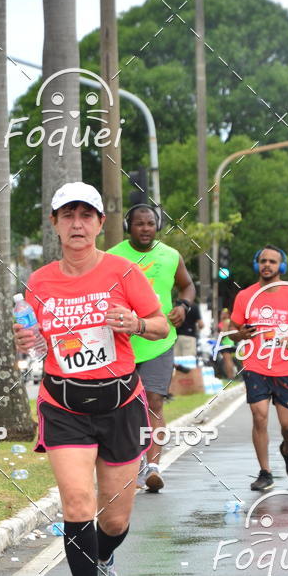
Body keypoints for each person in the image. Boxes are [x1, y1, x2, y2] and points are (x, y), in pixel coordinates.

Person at [13, 183, 169, 576]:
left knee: (115, 518)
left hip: (120, 403)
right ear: (55, 224)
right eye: (68, 215)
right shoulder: (39, 282)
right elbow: (43, 342)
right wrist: (30, 342)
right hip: (64, 404)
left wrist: (136, 323)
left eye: (87, 215)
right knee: (77, 502)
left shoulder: (123, 272)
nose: (77, 223)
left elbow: (159, 326)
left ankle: (103, 556)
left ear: (101, 224)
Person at [107, 204, 196, 492]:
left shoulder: (171, 256)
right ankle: (136, 463)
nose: (145, 228)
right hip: (122, 343)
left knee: (154, 401)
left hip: (159, 341)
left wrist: (184, 305)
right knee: (126, 407)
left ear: (157, 226)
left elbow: (187, 286)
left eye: (150, 224)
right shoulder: (112, 257)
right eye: (138, 224)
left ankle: (153, 467)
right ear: (127, 226)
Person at [230, 245, 288, 491]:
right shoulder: (245, 296)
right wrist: (240, 334)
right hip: (256, 363)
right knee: (259, 416)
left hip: (286, 366)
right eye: (263, 261)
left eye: (273, 262)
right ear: (257, 265)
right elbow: (234, 332)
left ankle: (287, 448)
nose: (267, 265)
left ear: (281, 267)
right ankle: (265, 472)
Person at [217, 308, 236, 379]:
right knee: (229, 360)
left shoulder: (225, 322)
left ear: (227, 314)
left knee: (227, 361)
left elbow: (223, 333)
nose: (222, 315)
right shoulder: (230, 321)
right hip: (230, 342)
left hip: (225, 343)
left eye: (223, 313)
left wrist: (219, 339)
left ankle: (230, 377)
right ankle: (231, 376)